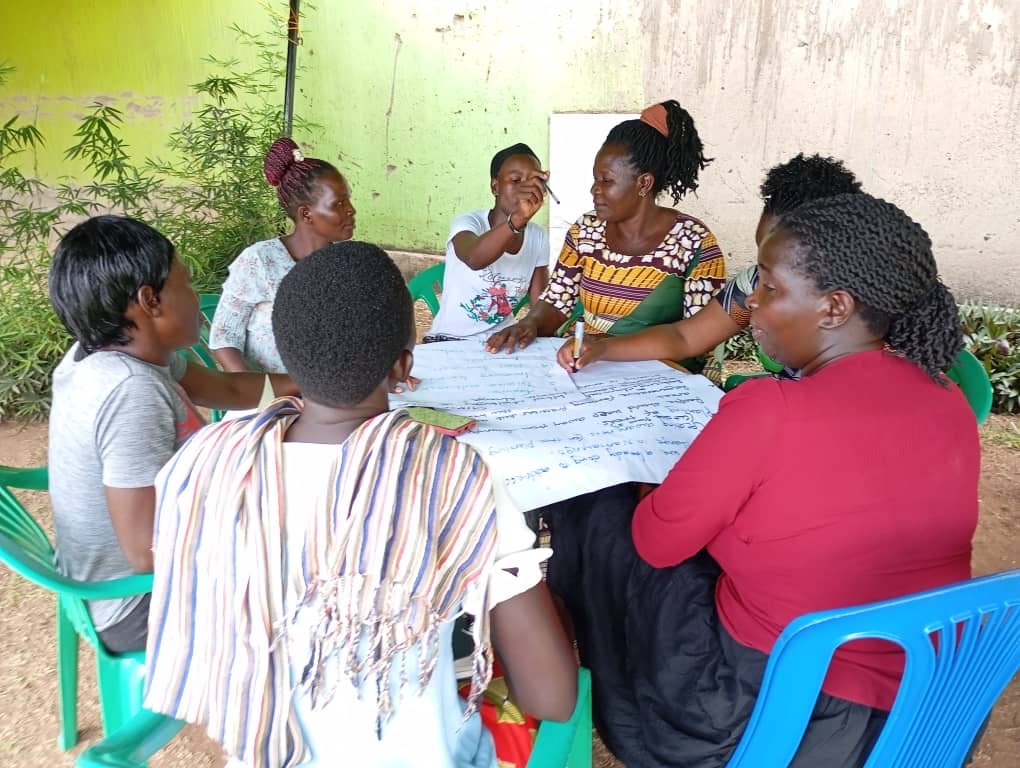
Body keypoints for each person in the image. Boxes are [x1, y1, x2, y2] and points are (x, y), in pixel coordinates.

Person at [546, 193, 979, 767]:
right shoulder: (948, 399)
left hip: (778, 715)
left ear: (834, 308)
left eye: (770, 288)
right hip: (931, 709)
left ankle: (599, 706)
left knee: (603, 517)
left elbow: (655, 542)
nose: (750, 302)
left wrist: (657, 490)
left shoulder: (770, 409)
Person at [143, 242, 578, 768]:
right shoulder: (453, 475)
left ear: (287, 358)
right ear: (403, 365)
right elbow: (553, 698)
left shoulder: (204, 466)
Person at [47, 215, 300, 653]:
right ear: (150, 301)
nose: (196, 301)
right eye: (186, 285)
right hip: (136, 603)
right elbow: (146, 551)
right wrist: (255, 535)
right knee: (311, 566)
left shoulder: (126, 351)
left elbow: (228, 389)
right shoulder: (130, 390)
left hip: (136, 567)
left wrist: (318, 383)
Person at [555, 153, 863, 372]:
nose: (752, 297)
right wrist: (602, 347)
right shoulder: (753, 284)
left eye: (772, 281)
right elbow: (685, 336)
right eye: (761, 262)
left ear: (835, 306)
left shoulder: (865, 330)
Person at [485, 100, 726, 371]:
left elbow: (699, 339)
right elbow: (557, 301)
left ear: (643, 183)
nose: (594, 190)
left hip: (663, 378)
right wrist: (530, 323)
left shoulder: (693, 242)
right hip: (591, 370)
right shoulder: (586, 231)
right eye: (595, 179)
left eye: (606, 181)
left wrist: (605, 346)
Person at [209, 136, 357, 373]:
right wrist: (258, 390)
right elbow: (224, 337)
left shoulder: (347, 263)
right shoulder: (260, 261)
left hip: (333, 387)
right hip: (273, 391)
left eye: (348, 199)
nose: (351, 210)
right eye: (338, 203)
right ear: (306, 214)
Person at [423, 143, 550, 342]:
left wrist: (532, 326)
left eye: (533, 182)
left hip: (500, 341)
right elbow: (475, 258)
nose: (526, 189)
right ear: (495, 186)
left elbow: (540, 306)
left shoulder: (538, 237)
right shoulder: (468, 223)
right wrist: (517, 220)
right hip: (450, 339)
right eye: (516, 180)